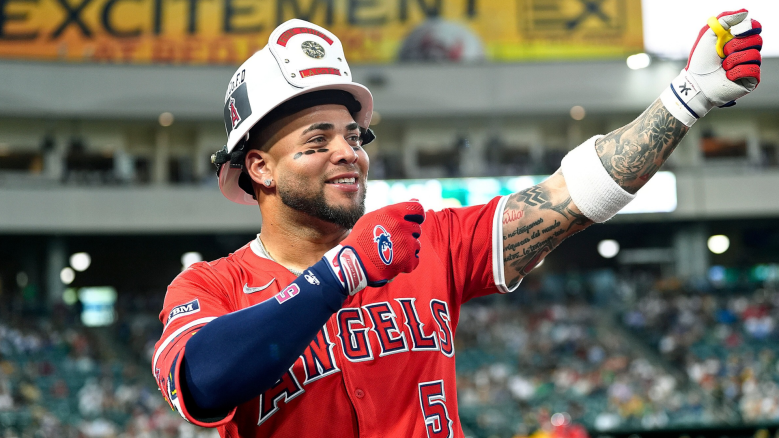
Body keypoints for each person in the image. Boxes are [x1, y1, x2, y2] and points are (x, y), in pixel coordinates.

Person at [152, 12, 763, 437]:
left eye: (354, 135)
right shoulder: (210, 287)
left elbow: (572, 195)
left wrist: (686, 97)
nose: (349, 152)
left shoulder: (427, 242)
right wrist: (343, 272)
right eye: (319, 140)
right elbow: (204, 382)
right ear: (258, 166)